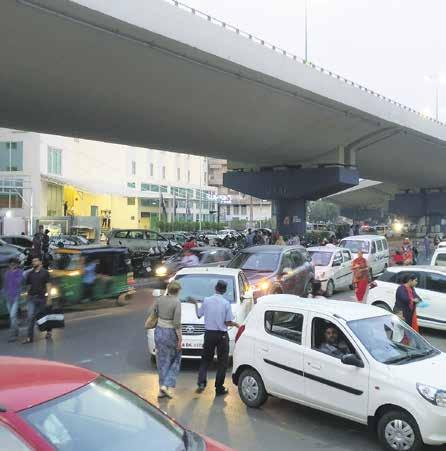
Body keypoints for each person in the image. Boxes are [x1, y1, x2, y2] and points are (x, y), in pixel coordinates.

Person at [189, 280, 239, 396]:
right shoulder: (226, 303)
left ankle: (201, 382)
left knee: (205, 359)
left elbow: (198, 315)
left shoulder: (206, 301)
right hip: (221, 336)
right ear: (225, 291)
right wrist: (235, 324)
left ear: (215, 288)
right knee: (222, 362)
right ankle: (219, 387)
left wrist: (196, 304)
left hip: (209, 334)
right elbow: (227, 322)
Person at [148, 281, 182, 399]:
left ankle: (162, 389)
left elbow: (153, 313)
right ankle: (166, 384)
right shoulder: (177, 302)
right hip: (170, 333)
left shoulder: (159, 300)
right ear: (178, 291)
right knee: (176, 358)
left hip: (159, 331)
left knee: (162, 361)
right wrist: (180, 339)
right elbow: (177, 324)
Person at [23, 257, 52, 343]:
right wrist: (27, 297)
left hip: (42, 298)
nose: (34, 262)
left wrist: (49, 298)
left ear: (40, 262)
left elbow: (48, 285)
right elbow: (28, 286)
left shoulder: (45, 273)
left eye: (35, 261)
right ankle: (29, 337)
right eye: (33, 261)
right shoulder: (30, 274)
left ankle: (48, 332)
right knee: (30, 317)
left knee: (43, 316)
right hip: (31, 298)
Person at [4, 258, 23, 342]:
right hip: (8, 298)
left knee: (12, 316)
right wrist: (4, 293)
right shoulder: (7, 273)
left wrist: (14, 273)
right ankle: (16, 331)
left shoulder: (19, 272)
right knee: (12, 317)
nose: (12, 265)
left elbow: (19, 283)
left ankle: (13, 335)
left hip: (16, 297)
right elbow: (5, 285)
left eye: (14, 264)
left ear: (17, 264)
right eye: (11, 264)